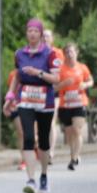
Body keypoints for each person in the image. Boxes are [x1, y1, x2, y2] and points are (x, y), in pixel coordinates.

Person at [4, 19, 61, 193]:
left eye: (35, 31)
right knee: (28, 137)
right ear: (26, 33)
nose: (32, 34)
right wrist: (10, 96)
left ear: (41, 34)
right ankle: (30, 179)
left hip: (45, 101)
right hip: (26, 100)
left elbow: (56, 79)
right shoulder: (20, 54)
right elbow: (17, 77)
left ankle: (43, 175)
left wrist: (39, 73)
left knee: (43, 141)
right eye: (29, 30)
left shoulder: (50, 54)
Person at [55, 42, 93, 171]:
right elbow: (54, 87)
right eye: (66, 52)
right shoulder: (61, 70)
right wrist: (64, 84)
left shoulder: (82, 67)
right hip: (65, 104)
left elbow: (91, 80)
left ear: (77, 53)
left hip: (80, 102)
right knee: (70, 133)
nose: (69, 54)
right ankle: (74, 154)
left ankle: (74, 158)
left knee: (77, 130)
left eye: (71, 52)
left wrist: (85, 85)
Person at [42, 30, 65, 164]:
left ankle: (50, 152)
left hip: (52, 91)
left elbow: (61, 73)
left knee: (50, 121)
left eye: (48, 36)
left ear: (52, 39)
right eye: (43, 36)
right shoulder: (35, 52)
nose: (45, 38)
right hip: (38, 91)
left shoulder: (57, 53)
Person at [5, 68, 26, 169]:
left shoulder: (33, 71)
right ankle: (24, 160)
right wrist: (7, 103)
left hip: (31, 105)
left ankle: (34, 150)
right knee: (21, 133)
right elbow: (11, 91)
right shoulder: (13, 74)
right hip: (16, 106)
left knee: (33, 135)